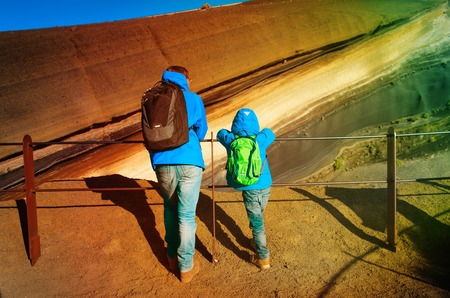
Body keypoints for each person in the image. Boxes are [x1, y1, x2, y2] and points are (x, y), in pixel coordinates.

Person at [148, 66, 208, 283]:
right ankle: (186, 266)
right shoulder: (193, 99)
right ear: (186, 78)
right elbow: (201, 131)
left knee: (170, 209)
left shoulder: (153, 99)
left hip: (162, 163)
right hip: (189, 161)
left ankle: (171, 256)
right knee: (186, 216)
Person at [217, 108, 275, 270]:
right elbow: (270, 132)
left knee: (257, 223)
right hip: (265, 184)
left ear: (235, 124)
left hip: (248, 187)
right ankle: (260, 251)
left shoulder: (230, 140)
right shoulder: (260, 139)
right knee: (258, 218)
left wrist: (232, 133)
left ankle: (262, 254)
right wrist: (258, 132)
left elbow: (220, 133)